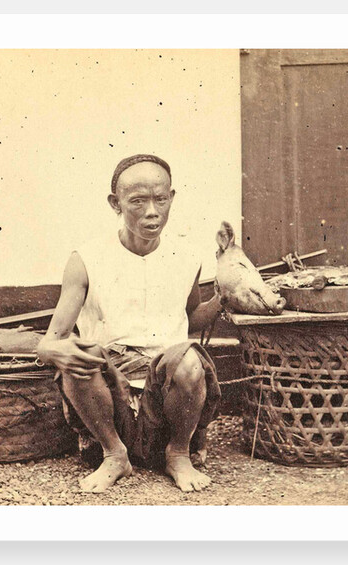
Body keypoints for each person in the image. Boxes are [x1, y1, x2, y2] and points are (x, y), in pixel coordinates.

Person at [36, 154, 223, 493]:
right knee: (82, 356)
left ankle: (178, 453)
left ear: (171, 198)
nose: (152, 211)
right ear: (115, 203)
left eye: (160, 199)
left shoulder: (187, 257)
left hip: (166, 393)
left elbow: (190, 317)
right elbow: (50, 342)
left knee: (190, 360)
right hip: (107, 393)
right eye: (137, 201)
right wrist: (62, 353)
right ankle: (114, 454)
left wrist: (223, 299)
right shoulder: (86, 259)